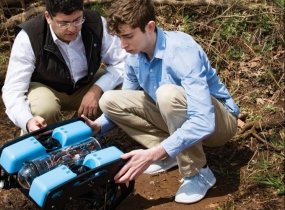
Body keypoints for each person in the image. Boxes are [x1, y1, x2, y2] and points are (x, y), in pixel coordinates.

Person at [81, 0, 239, 204]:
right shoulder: (134, 56)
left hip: (220, 123)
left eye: (128, 36)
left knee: (167, 95)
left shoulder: (181, 50)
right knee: (110, 100)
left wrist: (152, 154)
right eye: (119, 37)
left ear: (150, 27)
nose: (123, 45)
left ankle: (198, 172)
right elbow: (127, 100)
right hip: (177, 117)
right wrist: (98, 126)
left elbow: (204, 120)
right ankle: (172, 154)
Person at [1, 0, 126, 134]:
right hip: (45, 90)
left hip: (85, 84)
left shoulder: (96, 23)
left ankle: (86, 131)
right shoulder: (29, 38)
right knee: (45, 109)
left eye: (77, 20)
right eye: (64, 23)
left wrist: (96, 90)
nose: (72, 28)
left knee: (124, 90)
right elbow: (13, 90)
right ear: (48, 17)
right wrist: (27, 121)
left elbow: (123, 62)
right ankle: (41, 145)